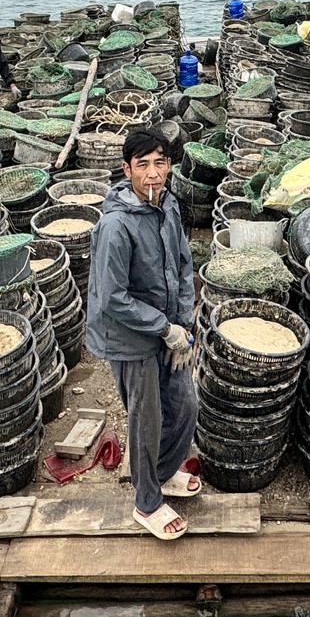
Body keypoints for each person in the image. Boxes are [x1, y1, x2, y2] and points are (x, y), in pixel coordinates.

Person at [86, 127, 200, 540]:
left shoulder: (168, 206)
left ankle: (163, 474)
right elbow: (111, 298)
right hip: (129, 337)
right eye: (143, 165)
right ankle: (146, 502)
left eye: (160, 163)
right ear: (127, 169)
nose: (153, 174)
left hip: (169, 329)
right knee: (146, 418)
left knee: (186, 404)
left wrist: (182, 324)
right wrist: (162, 327)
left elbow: (183, 265)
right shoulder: (116, 226)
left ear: (169, 166)